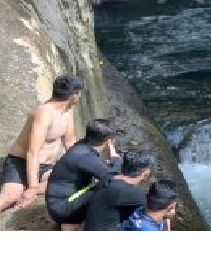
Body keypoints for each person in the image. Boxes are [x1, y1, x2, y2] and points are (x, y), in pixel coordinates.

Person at [0, 74, 83, 213]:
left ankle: (29, 187)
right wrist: (33, 188)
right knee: (10, 196)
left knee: (76, 180)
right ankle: (26, 187)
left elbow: (69, 140)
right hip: (21, 162)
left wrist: (83, 162)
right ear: (73, 96)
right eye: (79, 94)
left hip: (47, 166)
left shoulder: (68, 109)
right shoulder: (44, 113)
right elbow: (33, 152)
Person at [45, 119, 121, 230]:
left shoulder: (82, 145)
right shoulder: (85, 156)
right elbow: (112, 177)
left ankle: (73, 222)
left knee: (102, 186)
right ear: (108, 141)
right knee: (110, 190)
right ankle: (72, 224)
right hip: (63, 208)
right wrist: (115, 158)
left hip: (60, 202)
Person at [84, 149, 154, 231]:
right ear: (146, 174)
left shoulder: (109, 175)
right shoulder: (134, 194)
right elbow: (154, 213)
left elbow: (116, 160)